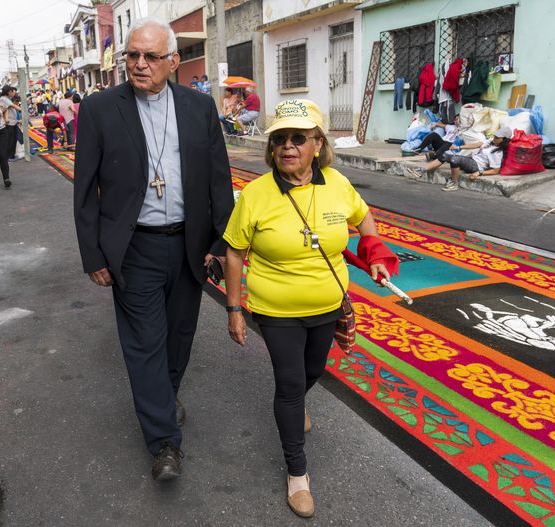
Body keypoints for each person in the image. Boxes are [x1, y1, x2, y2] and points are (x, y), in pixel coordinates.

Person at [73, 17, 233, 481]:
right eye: (132, 55)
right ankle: (164, 442)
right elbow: (85, 190)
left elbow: (218, 181)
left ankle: (164, 395)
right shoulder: (102, 108)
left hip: (190, 245)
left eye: (150, 56)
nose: (139, 64)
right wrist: (94, 255)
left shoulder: (199, 107)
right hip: (134, 247)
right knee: (144, 344)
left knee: (180, 336)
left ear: (173, 61)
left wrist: (222, 242)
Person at [223, 99, 395, 518]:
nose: (287, 147)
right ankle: (297, 473)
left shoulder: (337, 183)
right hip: (274, 307)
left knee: (313, 371)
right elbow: (233, 253)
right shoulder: (256, 195)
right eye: (280, 138)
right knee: (289, 382)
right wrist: (234, 308)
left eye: (298, 138)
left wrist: (372, 251)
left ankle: (298, 401)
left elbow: (365, 218)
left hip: (328, 303)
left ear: (317, 144)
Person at [428, 126, 511, 191]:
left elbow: (496, 170)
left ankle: (454, 184)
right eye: (494, 136)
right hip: (472, 160)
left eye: (497, 138)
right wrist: (458, 147)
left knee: (455, 160)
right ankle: (421, 170)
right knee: (444, 156)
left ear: (504, 140)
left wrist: (479, 173)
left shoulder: (497, 153)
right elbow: (477, 145)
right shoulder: (490, 142)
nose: (494, 138)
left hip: (476, 166)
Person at [0, 86, 22, 160]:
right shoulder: (3, 99)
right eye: (13, 91)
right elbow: (13, 106)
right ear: (9, 92)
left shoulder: (7, 99)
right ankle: (9, 156)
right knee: (10, 140)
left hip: (13, 122)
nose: (14, 93)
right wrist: (23, 109)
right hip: (8, 122)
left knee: (13, 139)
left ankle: (12, 154)